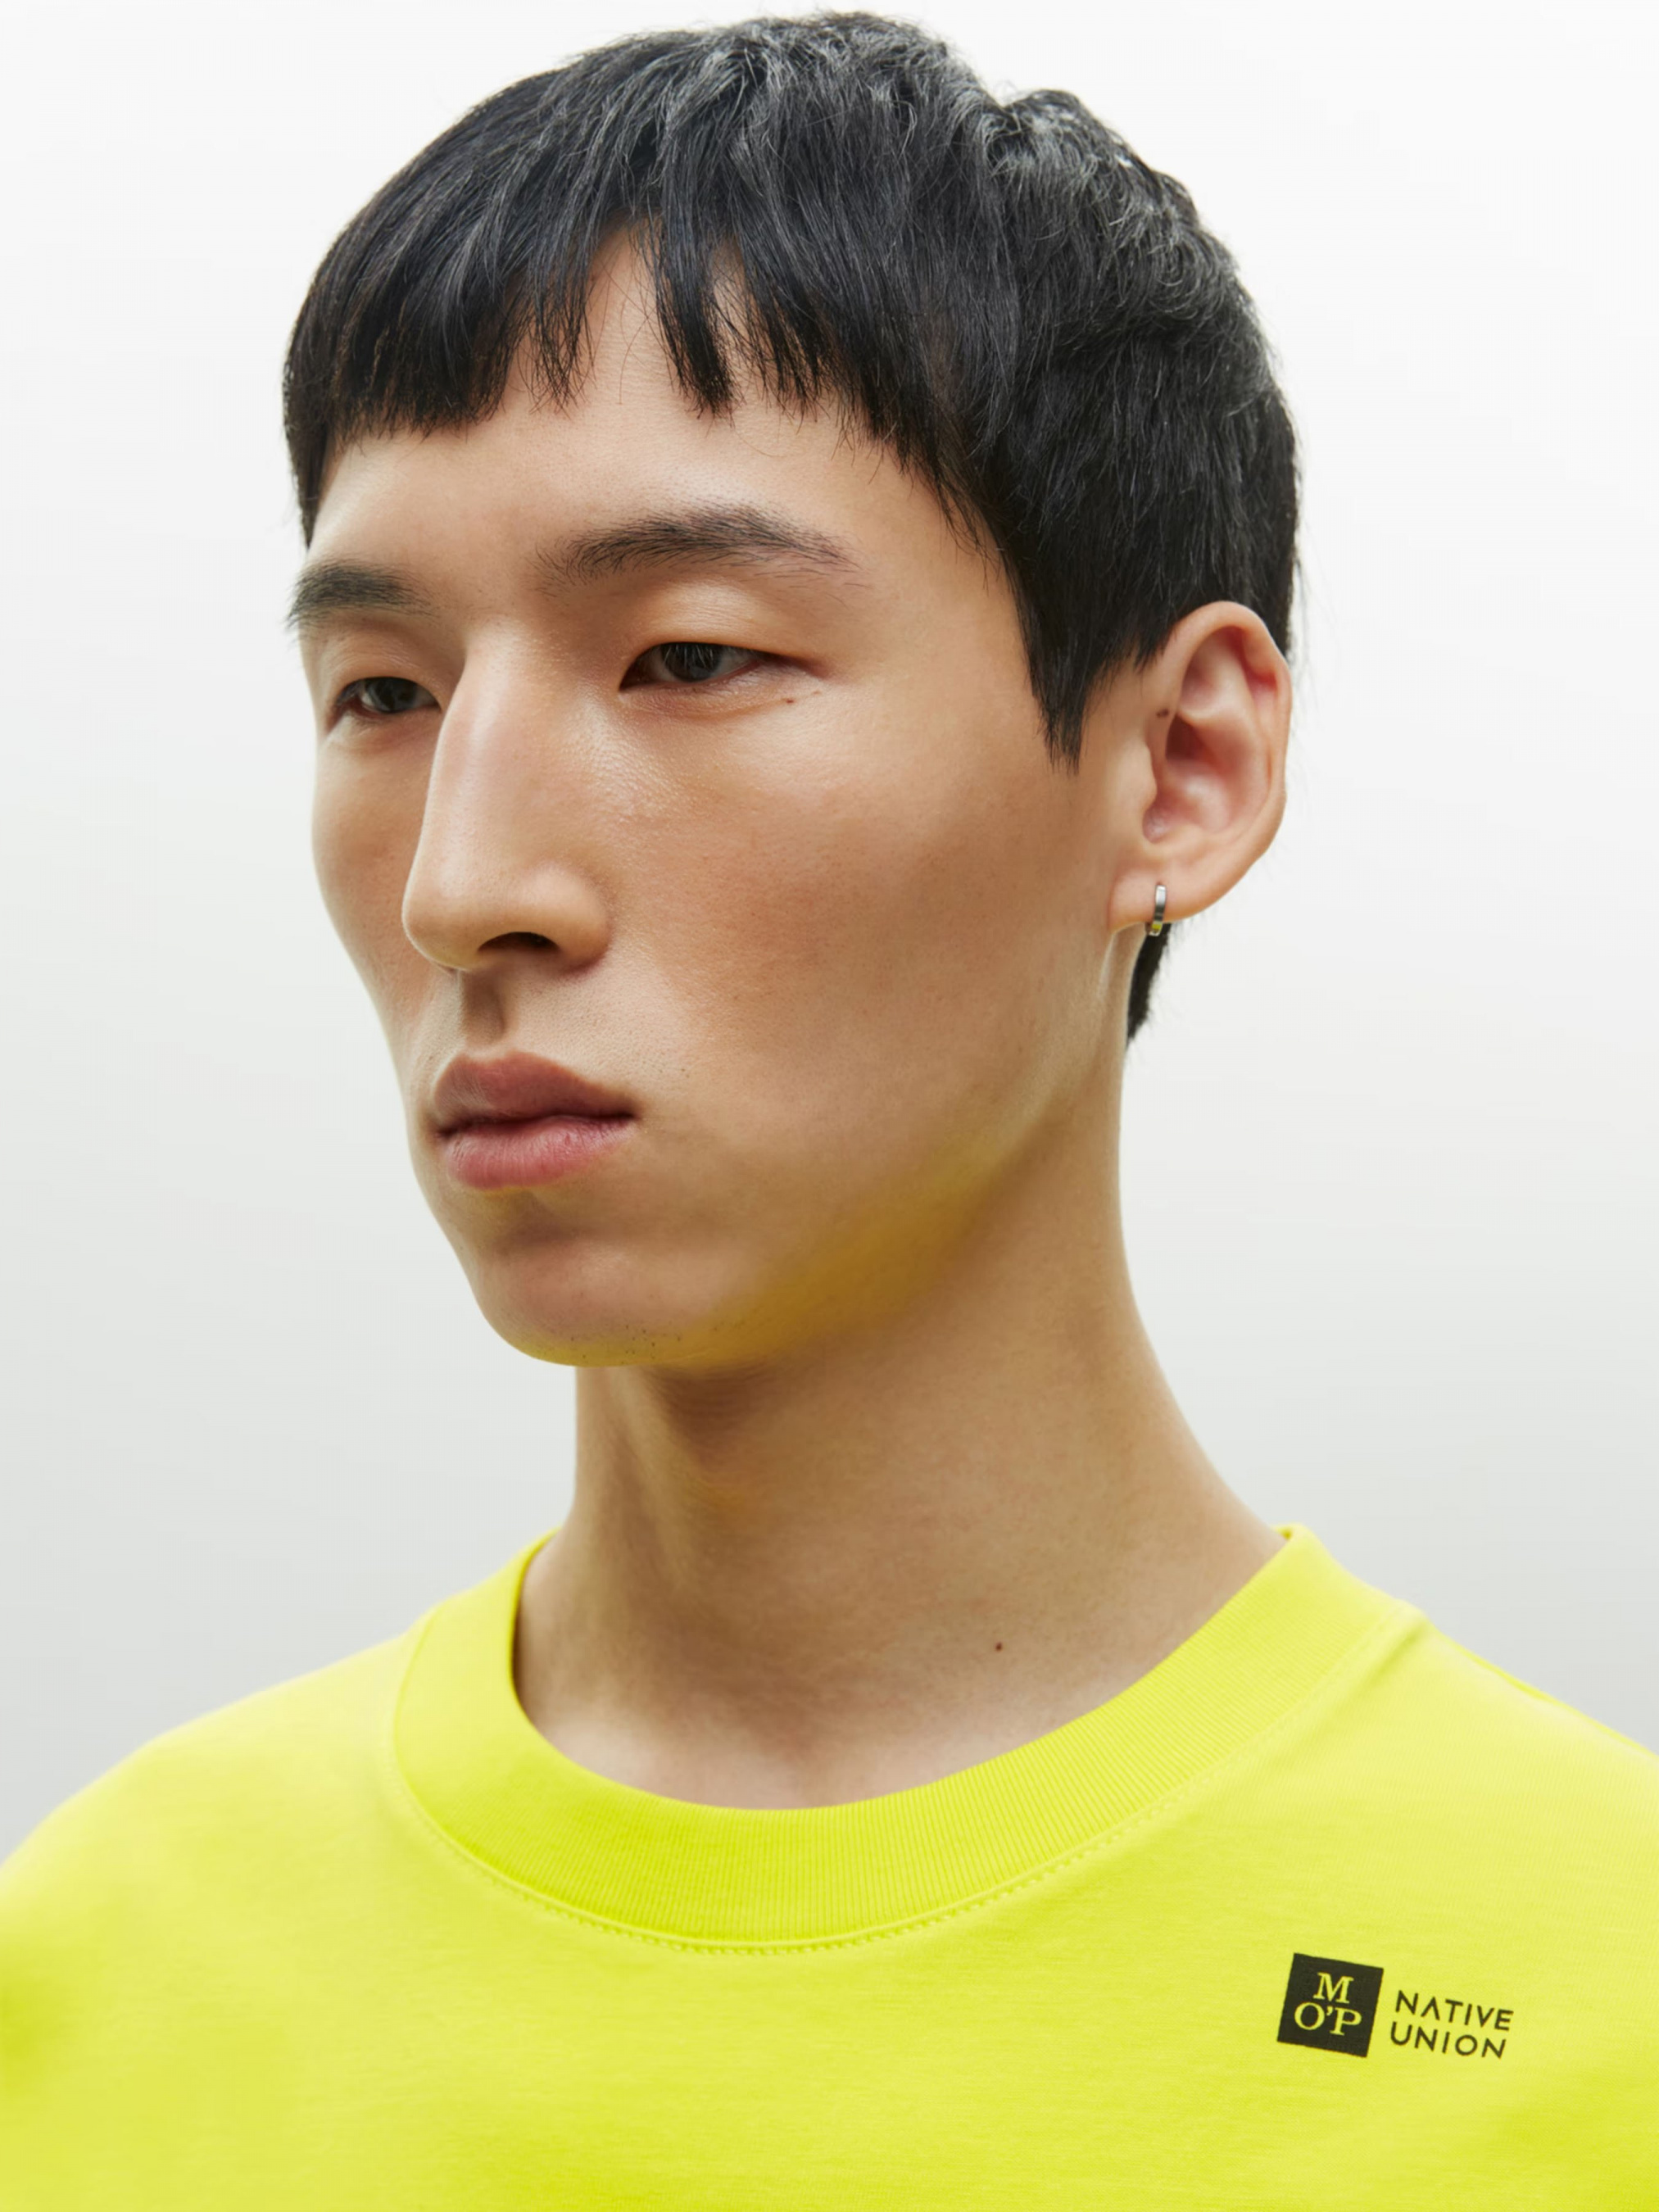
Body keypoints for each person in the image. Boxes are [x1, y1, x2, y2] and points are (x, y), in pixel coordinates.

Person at [2, 12, 1652, 2203]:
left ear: (1180, 765)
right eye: (382, 691)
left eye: (688, 656)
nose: (462, 881)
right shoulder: (101, 1963)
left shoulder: (1598, 1996)